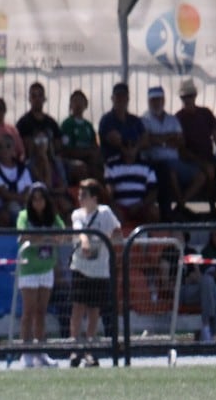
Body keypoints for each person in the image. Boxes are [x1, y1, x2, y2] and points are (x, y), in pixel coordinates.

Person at [67, 179, 118, 366]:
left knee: (94, 311)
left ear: (94, 197)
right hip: (80, 267)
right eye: (79, 194)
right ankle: (74, 349)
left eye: (84, 194)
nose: (80, 198)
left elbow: (117, 231)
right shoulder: (77, 214)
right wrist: (85, 241)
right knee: (78, 309)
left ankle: (89, 350)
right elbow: (79, 230)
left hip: (100, 270)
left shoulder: (106, 213)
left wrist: (110, 241)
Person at [15, 183, 63, 367]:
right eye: (34, 199)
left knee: (41, 311)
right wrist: (45, 237)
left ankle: (40, 351)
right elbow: (23, 235)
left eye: (41, 198)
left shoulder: (53, 217)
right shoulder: (23, 216)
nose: (38, 202)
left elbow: (61, 235)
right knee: (28, 311)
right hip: (29, 269)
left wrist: (42, 237)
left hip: (46, 268)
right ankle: (25, 351)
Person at [140, 84, 204, 215]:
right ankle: (178, 208)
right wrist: (167, 139)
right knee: (170, 173)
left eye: (159, 99)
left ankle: (181, 204)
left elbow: (180, 142)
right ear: (148, 101)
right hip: (156, 162)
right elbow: (147, 141)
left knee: (201, 176)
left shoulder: (172, 119)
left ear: (163, 100)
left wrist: (157, 139)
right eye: (153, 100)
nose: (156, 103)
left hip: (175, 160)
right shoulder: (144, 120)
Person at [104, 136, 159, 228]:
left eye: (133, 145)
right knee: (113, 215)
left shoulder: (147, 166)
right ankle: (119, 241)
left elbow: (153, 192)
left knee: (154, 211)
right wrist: (116, 207)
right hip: (120, 207)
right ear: (121, 147)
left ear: (137, 147)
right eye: (126, 145)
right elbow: (109, 192)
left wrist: (140, 205)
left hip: (140, 207)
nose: (129, 149)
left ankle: (151, 240)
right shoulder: (111, 165)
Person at [98, 82, 144, 157]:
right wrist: (129, 149)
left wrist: (135, 149)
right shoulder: (106, 119)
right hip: (114, 161)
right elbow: (113, 139)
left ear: (128, 99)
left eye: (124, 96)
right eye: (118, 96)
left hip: (135, 160)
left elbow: (145, 139)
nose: (121, 99)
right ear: (112, 98)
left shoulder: (135, 119)